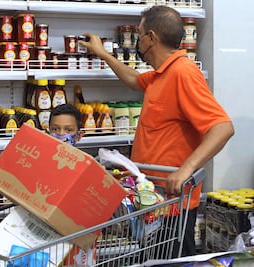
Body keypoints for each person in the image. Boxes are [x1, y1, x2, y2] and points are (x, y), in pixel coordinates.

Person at [79, 5, 234, 257]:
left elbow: (223, 127)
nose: (138, 41)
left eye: (139, 35)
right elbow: (133, 79)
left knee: (172, 261)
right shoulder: (162, 74)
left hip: (173, 203)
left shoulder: (183, 73)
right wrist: (103, 55)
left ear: (151, 37)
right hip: (154, 199)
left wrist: (186, 169)